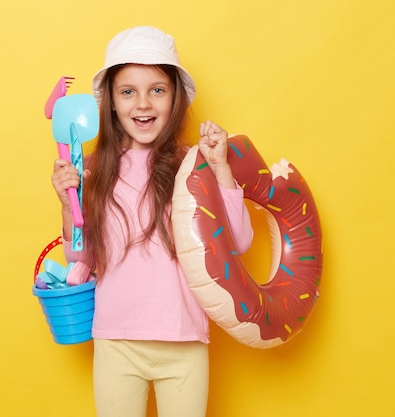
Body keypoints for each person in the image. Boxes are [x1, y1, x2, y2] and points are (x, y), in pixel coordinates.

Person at [50, 26, 253, 417]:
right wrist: (66, 204)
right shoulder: (91, 171)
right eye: (128, 91)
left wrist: (220, 168)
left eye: (157, 89)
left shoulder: (193, 165)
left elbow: (240, 241)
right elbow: (80, 257)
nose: (143, 103)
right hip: (116, 342)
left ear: (175, 97)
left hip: (184, 340)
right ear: (110, 101)